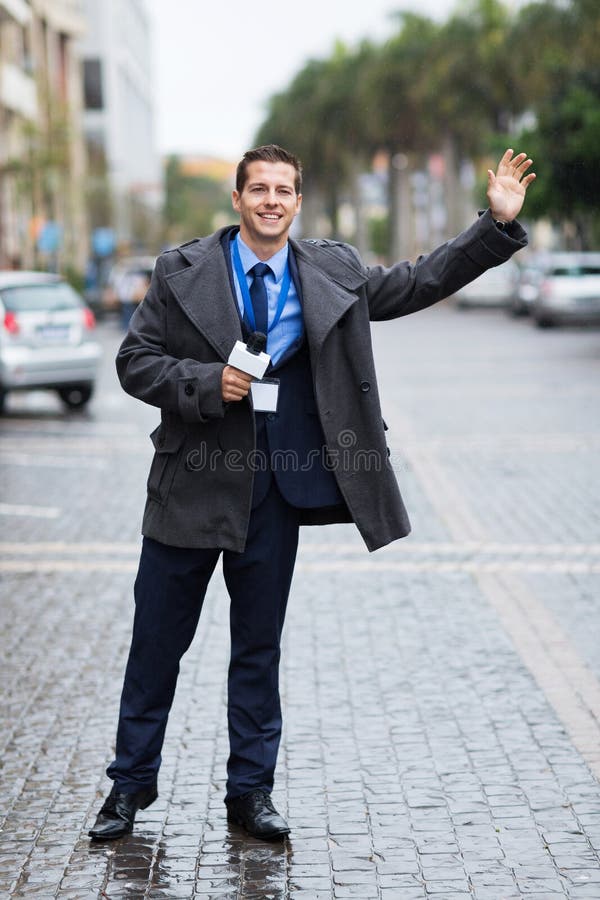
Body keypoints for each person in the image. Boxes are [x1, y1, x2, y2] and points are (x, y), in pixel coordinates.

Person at [89, 144, 535, 842]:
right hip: (190, 485)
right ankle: (128, 788)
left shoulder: (331, 269)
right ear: (237, 200)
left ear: (298, 203)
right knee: (154, 647)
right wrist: (208, 385)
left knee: (257, 649)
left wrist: (495, 225)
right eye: (258, 188)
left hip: (278, 488)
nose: (271, 200)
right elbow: (133, 362)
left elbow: (416, 282)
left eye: (284, 190)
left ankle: (250, 793)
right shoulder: (182, 271)